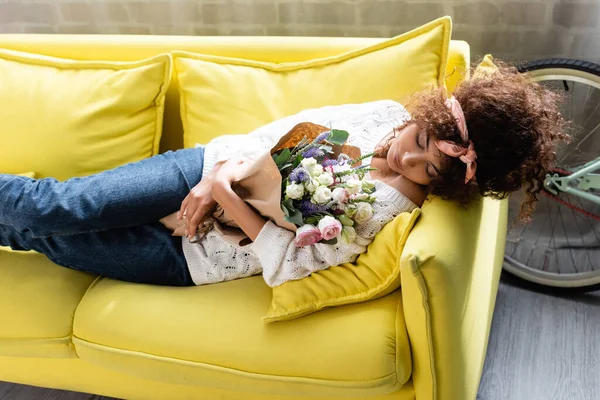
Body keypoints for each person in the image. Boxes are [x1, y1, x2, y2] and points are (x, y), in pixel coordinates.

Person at [0, 62, 569, 287]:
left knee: (45, 239)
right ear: (423, 116)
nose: (408, 161)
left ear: (454, 182)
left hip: (198, 256)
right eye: (419, 141)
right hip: (198, 169)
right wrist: (213, 178)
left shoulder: (393, 206)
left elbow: (287, 261)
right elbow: (282, 132)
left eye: (431, 170)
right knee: (53, 210)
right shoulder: (385, 115)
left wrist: (230, 198)